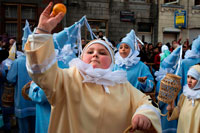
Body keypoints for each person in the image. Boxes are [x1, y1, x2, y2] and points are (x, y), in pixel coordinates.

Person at [24, 2, 161, 132]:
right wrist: (42, 32)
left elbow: (146, 102)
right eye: (90, 52)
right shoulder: (66, 79)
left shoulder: (122, 86)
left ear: (111, 61)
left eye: (102, 53)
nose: (95, 55)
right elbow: (40, 70)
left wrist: (144, 115)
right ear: (82, 58)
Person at [166, 64, 200, 133]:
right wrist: (171, 110)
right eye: (188, 77)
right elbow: (179, 110)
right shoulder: (185, 95)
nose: (189, 81)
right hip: (183, 128)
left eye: (193, 78)